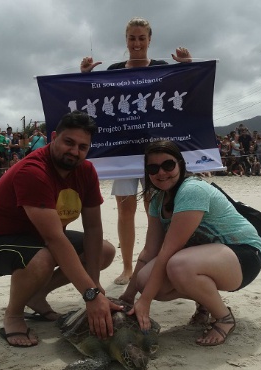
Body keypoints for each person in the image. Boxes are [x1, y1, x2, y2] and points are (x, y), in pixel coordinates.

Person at [0, 111, 119, 347]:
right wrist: (90, 295)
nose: (74, 152)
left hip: (37, 237)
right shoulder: (33, 171)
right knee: (43, 259)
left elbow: (93, 227)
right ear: (53, 137)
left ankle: (37, 295)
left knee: (104, 250)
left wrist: (95, 283)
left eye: (83, 146)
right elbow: (55, 239)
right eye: (68, 142)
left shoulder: (86, 171)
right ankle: (14, 315)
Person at [80, 16, 192, 285]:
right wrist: (84, 76)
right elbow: (94, 97)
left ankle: (155, 263)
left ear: (150, 40)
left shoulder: (163, 67)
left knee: (155, 208)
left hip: (156, 152)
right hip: (123, 152)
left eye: (142, 38)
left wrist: (188, 67)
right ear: (126, 40)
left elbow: (186, 91)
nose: (137, 43)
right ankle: (128, 267)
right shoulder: (115, 69)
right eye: (132, 38)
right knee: (124, 209)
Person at [119, 140, 261, 346]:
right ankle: (205, 301)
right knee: (144, 280)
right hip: (207, 259)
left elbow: (168, 252)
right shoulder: (157, 199)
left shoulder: (191, 190)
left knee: (177, 265)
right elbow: (150, 251)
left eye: (168, 165)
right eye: (153, 168)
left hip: (243, 255)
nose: (161, 172)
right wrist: (129, 296)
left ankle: (224, 318)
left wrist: (145, 302)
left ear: (180, 164)